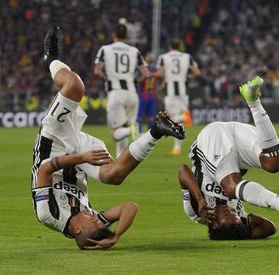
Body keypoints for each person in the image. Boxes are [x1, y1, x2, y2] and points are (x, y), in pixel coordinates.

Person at [32, 26, 185, 250]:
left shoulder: (48, 215)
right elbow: (129, 207)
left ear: (76, 230)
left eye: (93, 223)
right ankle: (156, 131)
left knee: (75, 86)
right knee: (114, 176)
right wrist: (115, 236)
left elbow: (45, 169)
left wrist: (82, 157)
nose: (96, 218)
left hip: (53, 145)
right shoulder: (91, 219)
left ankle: (51, 59)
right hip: (80, 157)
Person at [178, 76, 279, 244]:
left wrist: (200, 199)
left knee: (231, 187)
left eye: (228, 216)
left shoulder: (196, 211)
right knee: (275, 163)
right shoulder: (239, 215)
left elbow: (182, 171)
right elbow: (269, 228)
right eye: (236, 216)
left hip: (211, 139)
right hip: (236, 142)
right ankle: (253, 101)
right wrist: (241, 230)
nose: (233, 212)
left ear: (215, 225)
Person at [94, 23, 149, 158]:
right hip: (132, 93)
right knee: (123, 128)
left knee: (115, 133)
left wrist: (106, 77)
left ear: (113, 34)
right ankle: (120, 160)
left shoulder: (105, 49)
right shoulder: (134, 51)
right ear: (127, 36)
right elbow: (146, 74)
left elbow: (97, 70)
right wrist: (137, 81)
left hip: (116, 93)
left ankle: (132, 129)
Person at [157, 38, 201, 155]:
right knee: (177, 118)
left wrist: (156, 76)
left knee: (173, 118)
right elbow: (197, 72)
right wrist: (188, 77)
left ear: (170, 46)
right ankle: (177, 148)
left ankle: (185, 118)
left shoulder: (164, 57)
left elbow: (160, 73)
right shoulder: (187, 57)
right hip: (183, 90)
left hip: (170, 91)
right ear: (179, 46)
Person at [137, 53, 159, 133]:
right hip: (152, 95)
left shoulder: (142, 69)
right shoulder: (155, 69)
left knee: (139, 116)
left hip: (143, 95)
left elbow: (138, 81)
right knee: (150, 117)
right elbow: (160, 76)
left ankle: (139, 133)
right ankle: (149, 134)